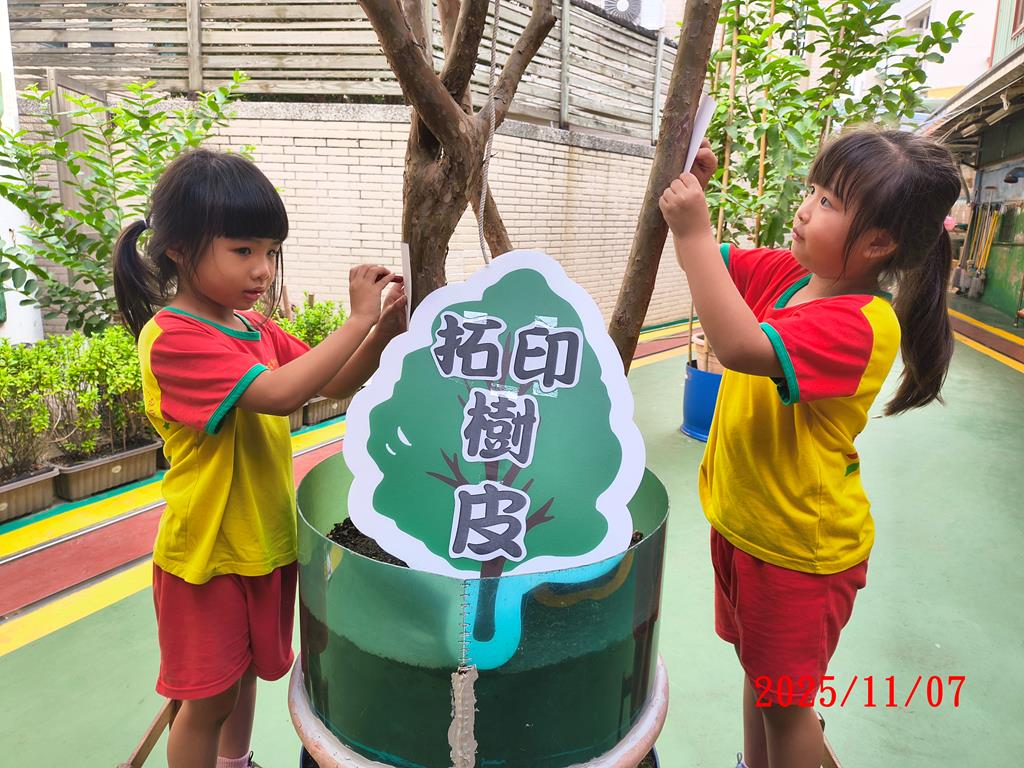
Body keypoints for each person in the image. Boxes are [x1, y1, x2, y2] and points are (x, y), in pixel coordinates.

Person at [660, 128, 961, 768]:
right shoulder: (792, 275)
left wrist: (694, 230)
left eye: (828, 202)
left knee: (786, 708)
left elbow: (739, 346)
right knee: (763, 680)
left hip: (800, 551)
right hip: (750, 528)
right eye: (813, 190)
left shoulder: (862, 323)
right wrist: (693, 193)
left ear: (878, 244)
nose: (804, 208)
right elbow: (711, 266)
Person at [112, 149, 406, 768]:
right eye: (243, 250)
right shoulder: (174, 338)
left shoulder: (253, 328)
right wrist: (358, 318)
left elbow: (332, 382)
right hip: (209, 553)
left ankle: (235, 761)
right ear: (179, 250)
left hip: (261, 539)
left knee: (243, 675)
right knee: (207, 700)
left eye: (270, 252)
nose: (262, 269)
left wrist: (381, 331)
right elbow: (279, 395)